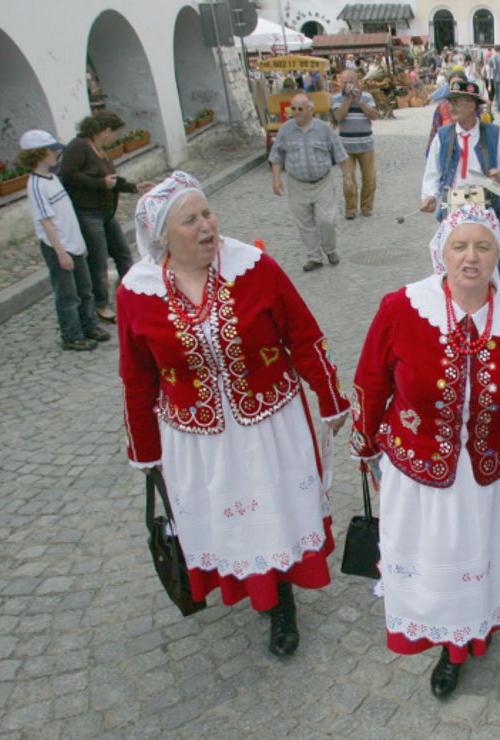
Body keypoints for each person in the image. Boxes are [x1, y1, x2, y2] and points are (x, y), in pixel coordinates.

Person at [351, 204, 500, 700]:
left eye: (483, 246)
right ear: (441, 250)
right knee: (440, 559)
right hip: (421, 470)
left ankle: (479, 627)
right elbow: (372, 382)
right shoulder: (401, 308)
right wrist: (365, 444)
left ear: (497, 254)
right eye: (460, 245)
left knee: (484, 555)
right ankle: (450, 646)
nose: (471, 257)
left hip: (496, 471)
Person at [117, 171, 350, 656]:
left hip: (269, 423)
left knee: (272, 512)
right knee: (230, 518)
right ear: (162, 236)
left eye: (207, 213)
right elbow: (137, 377)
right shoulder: (136, 292)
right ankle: (252, 588)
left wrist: (329, 396)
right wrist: (145, 450)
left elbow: (302, 334)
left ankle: (279, 602)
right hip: (196, 437)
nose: (206, 226)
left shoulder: (253, 267)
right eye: (190, 220)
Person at [59, 110, 155, 324]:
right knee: (98, 260)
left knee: (123, 254)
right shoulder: (79, 146)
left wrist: (134, 187)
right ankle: (101, 304)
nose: (115, 138)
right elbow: (69, 176)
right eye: (114, 133)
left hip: (106, 212)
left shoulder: (100, 150)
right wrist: (100, 184)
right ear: (104, 131)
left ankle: (133, 293)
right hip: (88, 212)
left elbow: (111, 179)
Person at [20, 130, 109, 352]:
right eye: (52, 151)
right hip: (58, 247)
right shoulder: (36, 185)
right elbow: (46, 222)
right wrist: (61, 252)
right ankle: (71, 335)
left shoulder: (52, 178)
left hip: (74, 243)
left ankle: (89, 325)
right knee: (67, 294)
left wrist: (79, 244)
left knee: (85, 288)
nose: (57, 155)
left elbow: (66, 214)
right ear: (39, 154)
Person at [421, 80, 500, 278]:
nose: (451, 106)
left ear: (472, 105)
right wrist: (430, 195)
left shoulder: (493, 133)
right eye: (450, 102)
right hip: (453, 207)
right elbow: (432, 173)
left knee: (486, 257)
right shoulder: (443, 136)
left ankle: (491, 298)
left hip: (486, 207)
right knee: (452, 257)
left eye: (458, 102)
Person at [268, 93, 354, 272]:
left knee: (326, 220)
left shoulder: (324, 129)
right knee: (304, 222)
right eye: (294, 109)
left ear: (310, 110)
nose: (296, 112)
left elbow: (340, 153)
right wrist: (276, 179)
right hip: (297, 183)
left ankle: (330, 249)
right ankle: (314, 257)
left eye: (300, 109)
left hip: (322, 182)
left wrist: (347, 176)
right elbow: (276, 156)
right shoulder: (285, 130)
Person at [332, 69, 379, 220]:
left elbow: (374, 115)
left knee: (369, 178)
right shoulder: (337, 99)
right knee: (349, 179)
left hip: (366, 144)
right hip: (346, 147)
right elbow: (338, 116)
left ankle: (366, 207)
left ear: (356, 82)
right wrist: (347, 99)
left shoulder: (367, 97)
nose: (347, 85)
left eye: (349, 82)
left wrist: (359, 101)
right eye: (344, 82)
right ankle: (350, 209)